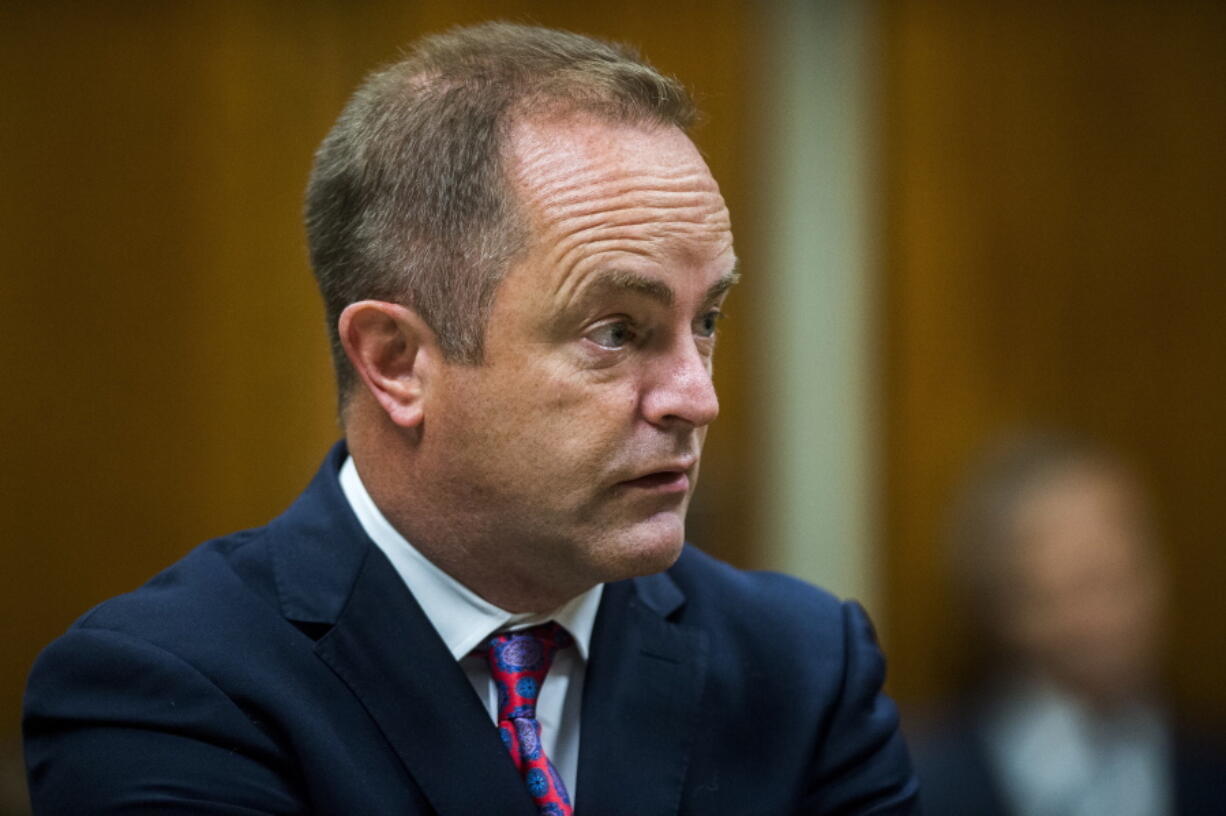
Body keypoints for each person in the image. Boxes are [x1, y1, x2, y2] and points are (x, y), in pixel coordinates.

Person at [23, 22, 917, 815]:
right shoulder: (170, 688)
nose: (696, 396)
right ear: (396, 361)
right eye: (617, 331)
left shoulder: (803, 668)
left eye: (707, 321)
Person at [912, 434, 1226, 816]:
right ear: (1004, 600)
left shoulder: (1208, 764)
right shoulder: (925, 781)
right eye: (1084, 579)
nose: (1119, 610)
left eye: (1130, 570)